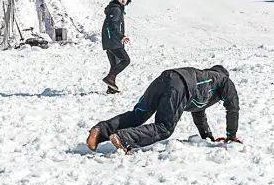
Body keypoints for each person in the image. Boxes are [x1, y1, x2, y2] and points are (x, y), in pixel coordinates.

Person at [85, 65, 240, 154]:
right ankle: (124, 138)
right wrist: (231, 136)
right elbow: (233, 108)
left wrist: (207, 137)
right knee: (164, 127)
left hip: (165, 78)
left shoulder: (204, 83)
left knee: (138, 114)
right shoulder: (224, 81)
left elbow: (198, 112)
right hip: (180, 85)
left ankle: (100, 131)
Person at [101, 0, 131, 93]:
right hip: (113, 41)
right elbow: (112, 25)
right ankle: (109, 78)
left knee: (114, 65)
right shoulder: (116, 10)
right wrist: (121, 36)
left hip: (110, 41)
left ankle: (111, 88)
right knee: (125, 60)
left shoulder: (116, 9)